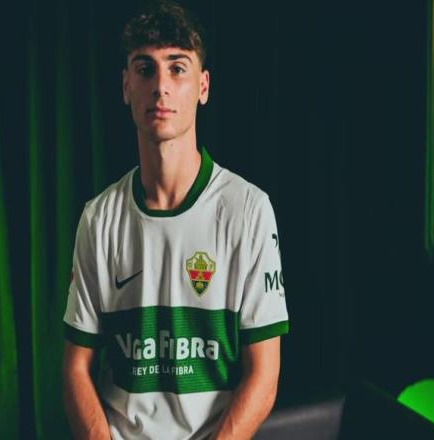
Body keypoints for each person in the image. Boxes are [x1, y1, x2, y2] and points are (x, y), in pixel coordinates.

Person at [62, 1, 289, 439]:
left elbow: (264, 375)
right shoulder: (99, 218)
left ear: (203, 86)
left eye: (177, 68)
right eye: (145, 69)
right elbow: (75, 367)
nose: (161, 86)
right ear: (126, 86)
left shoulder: (248, 210)